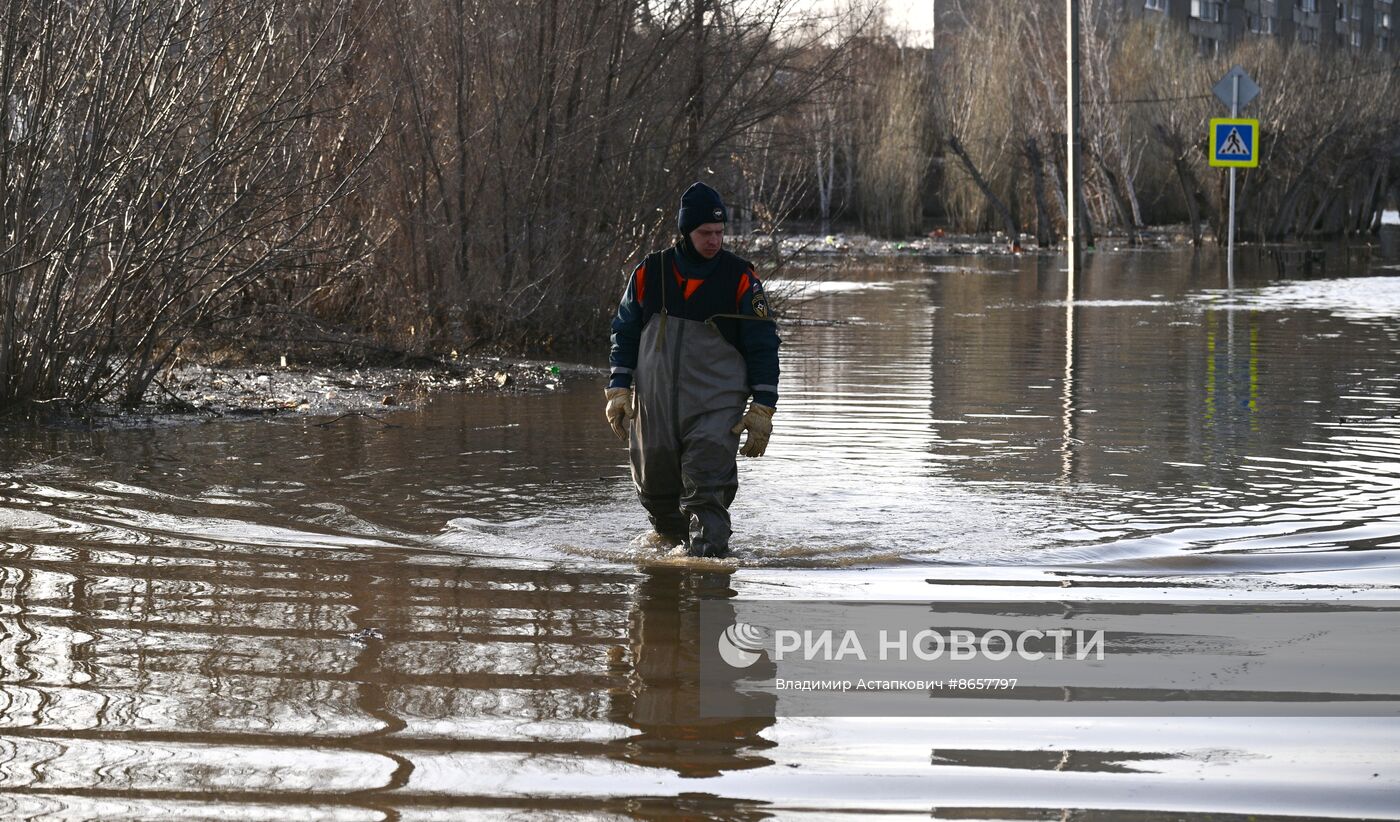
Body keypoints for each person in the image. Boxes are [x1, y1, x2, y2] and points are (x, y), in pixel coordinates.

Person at [605, 182, 780, 558]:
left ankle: (710, 583)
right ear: (686, 231)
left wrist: (763, 407)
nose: (714, 240)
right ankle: (670, 580)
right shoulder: (648, 273)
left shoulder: (741, 280)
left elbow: (763, 343)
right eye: (705, 232)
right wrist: (618, 389)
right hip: (655, 406)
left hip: (715, 408)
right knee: (656, 494)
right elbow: (624, 330)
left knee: (706, 493)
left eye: (719, 232)